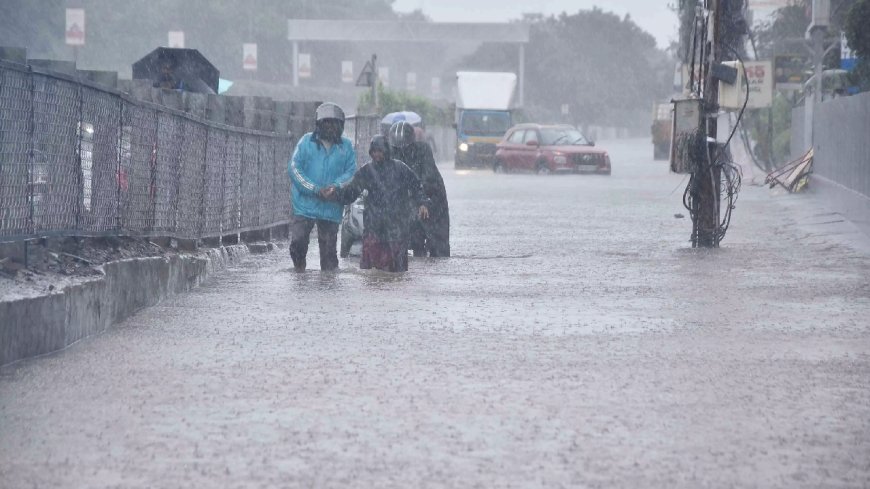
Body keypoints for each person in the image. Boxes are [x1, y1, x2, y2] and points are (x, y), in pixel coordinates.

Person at [325, 135, 429, 273]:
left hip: (397, 229)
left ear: (386, 151)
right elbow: (351, 192)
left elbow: (417, 186)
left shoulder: (400, 168)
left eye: (380, 151)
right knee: (370, 271)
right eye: (374, 151)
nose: (377, 154)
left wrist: (422, 203)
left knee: (397, 272)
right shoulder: (367, 171)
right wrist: (335, 194)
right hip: (374, 227)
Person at [287, 102, 357, 272]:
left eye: (334, 123)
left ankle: (328, 288)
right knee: (298, 242)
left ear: (340, 126)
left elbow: (351, 172)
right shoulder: (305, 142)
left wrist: (336, 187)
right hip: (305, 204)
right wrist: (315, 189)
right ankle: (299, 272)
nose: (330, 127)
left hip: (331, 206)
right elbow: (294, 168)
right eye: (326, 123)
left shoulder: (346, 147)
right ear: (319, 124)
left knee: (329, 256)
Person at [388, 120, 450, 257]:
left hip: (433, 196)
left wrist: (421, 199)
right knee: (412, 237)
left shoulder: (423, 150)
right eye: (398, 148)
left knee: (438, 244)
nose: (402, 151)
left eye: (405, 147)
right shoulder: (391, 153)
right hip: (409, 200)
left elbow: (428, 177)